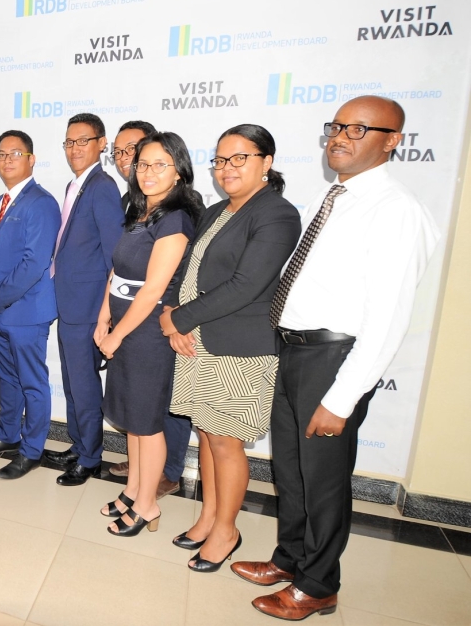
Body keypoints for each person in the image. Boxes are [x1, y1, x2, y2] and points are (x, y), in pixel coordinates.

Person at [232, 97, 439, 621]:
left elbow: (388, 319)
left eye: (359, 128)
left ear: (392, 140)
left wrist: (343, 397)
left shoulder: (396, 210)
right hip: (294, 350)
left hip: (332, 359)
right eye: (337, 126)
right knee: (293, 470)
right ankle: (291, 559)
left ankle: (319, 584)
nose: (340, 137)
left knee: (323, 477)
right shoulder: (339, 197)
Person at [159, 125, 301, 572]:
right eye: (220, 160)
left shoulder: (277, 214)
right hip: (198, 340)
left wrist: (177, 319)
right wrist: (168, 309)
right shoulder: (217, 210)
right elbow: (187, 268)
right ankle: (207, 516)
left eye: (240, 158)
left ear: (266, 162)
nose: (227, 168)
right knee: (206, 432)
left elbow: (246, 286)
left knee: (226, 441)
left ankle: (227, 530)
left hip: (240, 346)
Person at [97, 132, 199, 536]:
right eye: (142, 164)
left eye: (160, 164)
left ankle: (148, 504)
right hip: (122, 324)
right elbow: (117, 271)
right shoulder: (140, 211)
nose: (148, 172)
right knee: (133, 422)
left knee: (148, 423)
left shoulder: (176, 217)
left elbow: (154, 290)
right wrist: (103, 315)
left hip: (146, 335)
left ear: (179, 171)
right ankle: (133, 490)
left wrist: (117, 335)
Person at [0, 130, 61, 479]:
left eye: (15, 153)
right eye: (1, 154)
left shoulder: (42, 203)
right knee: (8, 379)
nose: (7, 160)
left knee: (32, 382)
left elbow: (34, 262)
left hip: (25, 312)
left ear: (31, 159)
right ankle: (7, 436)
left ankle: (32, 449)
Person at [45, 113, 125, 486]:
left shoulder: (102, 186)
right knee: (75, 383)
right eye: (69, 142)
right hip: (70, 304)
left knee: (86, 386)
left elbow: (115, 257)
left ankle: (91, 458)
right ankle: (79, 445)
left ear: (101, 143)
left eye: (83, 141)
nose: (75, 149)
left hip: (89, 306)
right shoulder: (74, 185)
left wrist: (104, 315)